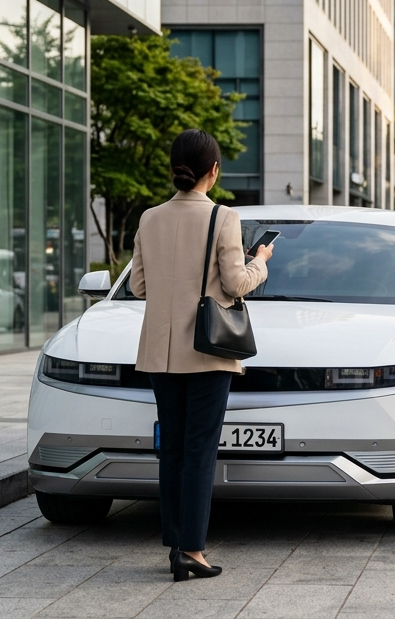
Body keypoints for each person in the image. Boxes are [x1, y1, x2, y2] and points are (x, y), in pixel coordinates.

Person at [129, 129, 274, 582]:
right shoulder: (223, 218)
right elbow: (235, 285)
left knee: (171, 449)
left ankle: (176, 543)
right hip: (207, 353)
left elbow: (138, 287)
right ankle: (192, 549)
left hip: (160, 353)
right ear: (214, 170)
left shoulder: (149, 218)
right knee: (199, 451)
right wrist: (261, 260)